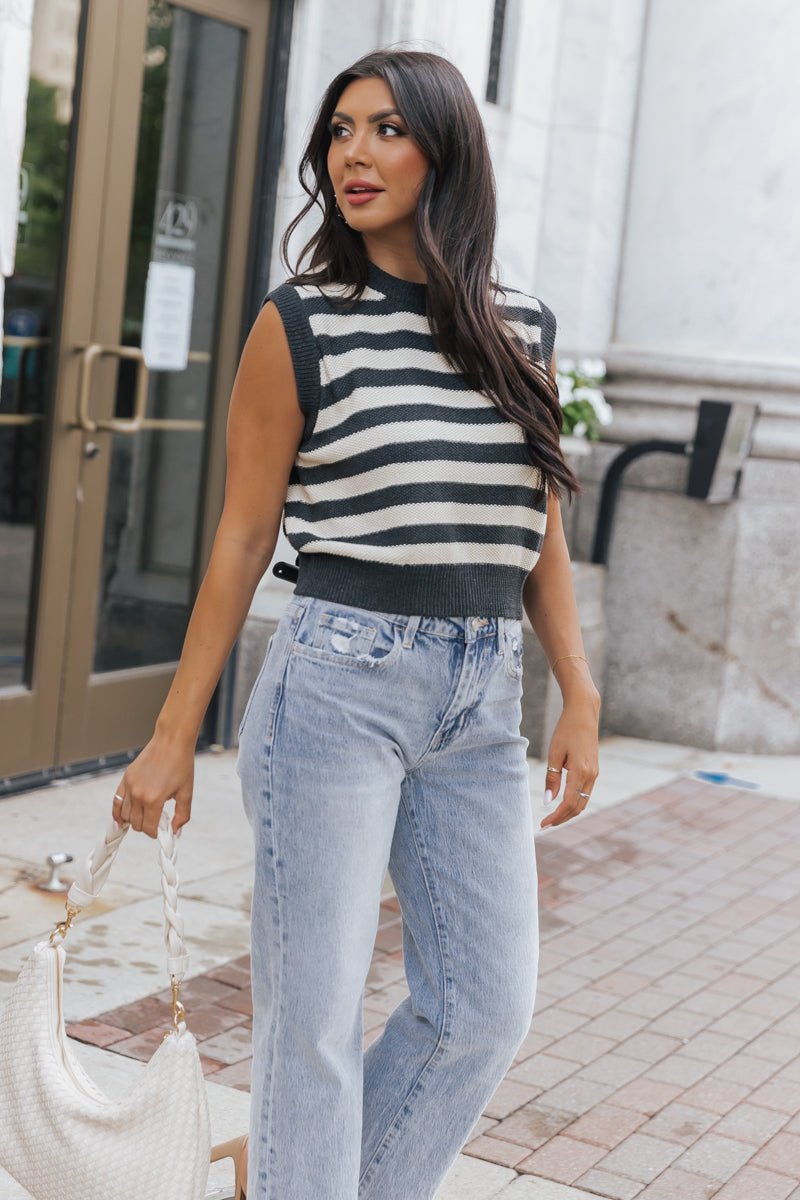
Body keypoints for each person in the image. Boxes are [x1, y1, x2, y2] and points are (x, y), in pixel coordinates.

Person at [111, 46, 600, 1200]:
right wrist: (174, 731)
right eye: (338, 132)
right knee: (310, 1025)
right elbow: (239, 539)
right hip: (335, 684)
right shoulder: (299, 326)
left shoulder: (517, 325)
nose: (354, 155)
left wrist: (575, 689)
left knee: (482, 1007)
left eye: (384, 129)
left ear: (443, 150)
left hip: (481, 700)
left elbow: (538, 529)